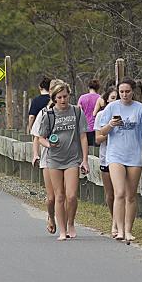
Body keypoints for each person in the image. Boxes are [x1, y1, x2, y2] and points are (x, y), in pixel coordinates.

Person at [95, 78, 142, 242]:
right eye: (121, 92)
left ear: (133, 92)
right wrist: (111, 125)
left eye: (127, 91)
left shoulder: (141, 109)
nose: (124, 95)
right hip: (115, 155)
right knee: (119, 193)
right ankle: (119, 230)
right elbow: (101, 132)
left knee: (131, 195)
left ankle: (128, 230)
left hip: (134, 155)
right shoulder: (111, 107)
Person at [35, 81, 89, 241]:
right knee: (59, 196)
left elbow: (83, 136)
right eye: (59, 97)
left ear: (69, 95)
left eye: (65, 96)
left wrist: (85, 160)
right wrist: (48, 144)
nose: (63, 100)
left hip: (72, 158)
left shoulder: (77, 112)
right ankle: (62, 230)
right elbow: (40, 138)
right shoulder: (49, 115)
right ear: (54, 98)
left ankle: (71, 222)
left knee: (71, 196)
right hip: (54, 160)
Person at [28, 76, 54, 233]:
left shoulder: (37, 100)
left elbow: (31, 117)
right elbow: (38, 135)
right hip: (47, 149)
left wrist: (28, 127)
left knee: (64, 194)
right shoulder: (44, 110)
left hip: (65, 155)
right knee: (52, 195)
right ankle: (52, 217)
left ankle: (66, 225)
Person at [93, 86, 118, 237]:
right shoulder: (101, 115)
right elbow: (97, 139)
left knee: (122, 193)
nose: (115, 101)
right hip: (106, 158)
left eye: (118, 98)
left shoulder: (126, 114)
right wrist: (110, 132)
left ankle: (117, 223)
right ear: (106, 100)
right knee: (110, 194)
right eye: (113, 98)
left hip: (122, 158)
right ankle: (113, 217)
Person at [77, 79, 100, 147]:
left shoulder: (82, 98)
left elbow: (78, 111)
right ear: (98, 88)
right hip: (97, 127)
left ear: (88, 87)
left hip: (85, 127)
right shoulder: (100, 98)